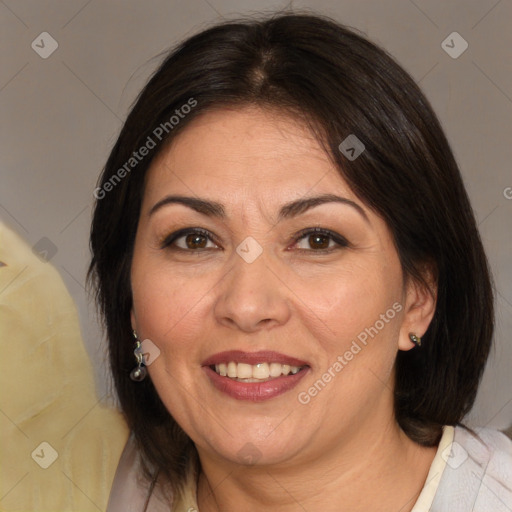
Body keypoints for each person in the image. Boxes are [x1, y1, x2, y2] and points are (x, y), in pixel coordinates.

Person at [88, 12, 512, 512]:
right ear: (131, 298)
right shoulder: (85, 480)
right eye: (195, 240)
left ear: (417, 297)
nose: (247, 306)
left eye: (316, 240)